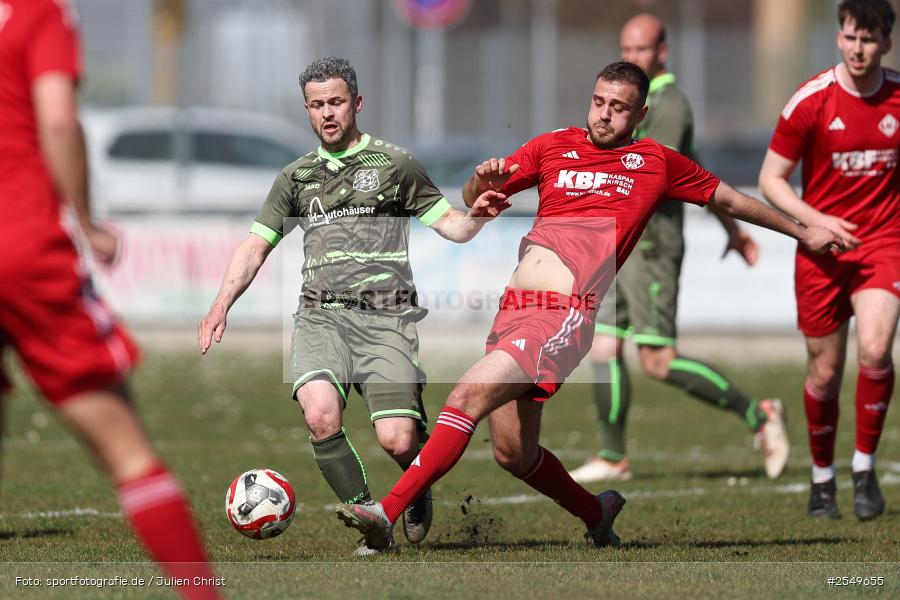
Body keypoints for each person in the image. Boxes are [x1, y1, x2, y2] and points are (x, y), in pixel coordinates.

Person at [333, 61, 844, 551]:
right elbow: (475, 195)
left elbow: (729, 200)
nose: (603, 113)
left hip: (564, 315)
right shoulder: (554, 147)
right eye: (598, 101)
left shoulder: (656, 163)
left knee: (465, 395)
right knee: (514, 453)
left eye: (618, 107)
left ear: (639, 114)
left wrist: (803, 232)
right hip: (514, 309)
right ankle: (597, 513)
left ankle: (387, 513)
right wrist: (480, 185)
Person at [198, 57, 509, 555]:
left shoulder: (395, 165)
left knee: (398, 440)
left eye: (336, 102)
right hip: (320, 316)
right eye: (317, 105)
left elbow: (450, 223)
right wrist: (220, 305)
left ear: (357, 104)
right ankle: (373, 520)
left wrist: (476, 217)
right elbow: (256, 245)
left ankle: (417, 480)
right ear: (307, 110)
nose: (328, 113)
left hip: (386, 318)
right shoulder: (296, 178)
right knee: (320, 416)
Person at [0, 2, 219, 598]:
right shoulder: (38, 13)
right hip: (18, 247)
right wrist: (88, 222)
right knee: (126, 449)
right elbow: (57, 121)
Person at [569, 13, 789, 484]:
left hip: (650, 245)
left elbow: (654, 173)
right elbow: (699, 169)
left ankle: (759, 413)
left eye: (641, 50)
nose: (632, 58)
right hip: (615, 244)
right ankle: (612, 456)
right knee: (604, 346)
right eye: (626, 49)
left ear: (661, 53)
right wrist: (731, 230)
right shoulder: (629, 99)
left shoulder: (665, 103)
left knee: (658, 361)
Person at [759, 0, 898, 521]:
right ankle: (823, 480)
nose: (858, 47)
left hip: (883, 244)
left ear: (886, 42)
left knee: (878, 348)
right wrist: (816, 222)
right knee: (824, 372)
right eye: (849, 37)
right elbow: (773, 178)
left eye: (868, 38)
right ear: (838, 38)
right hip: (820, 252)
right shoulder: (811, 101)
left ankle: (864, 468)